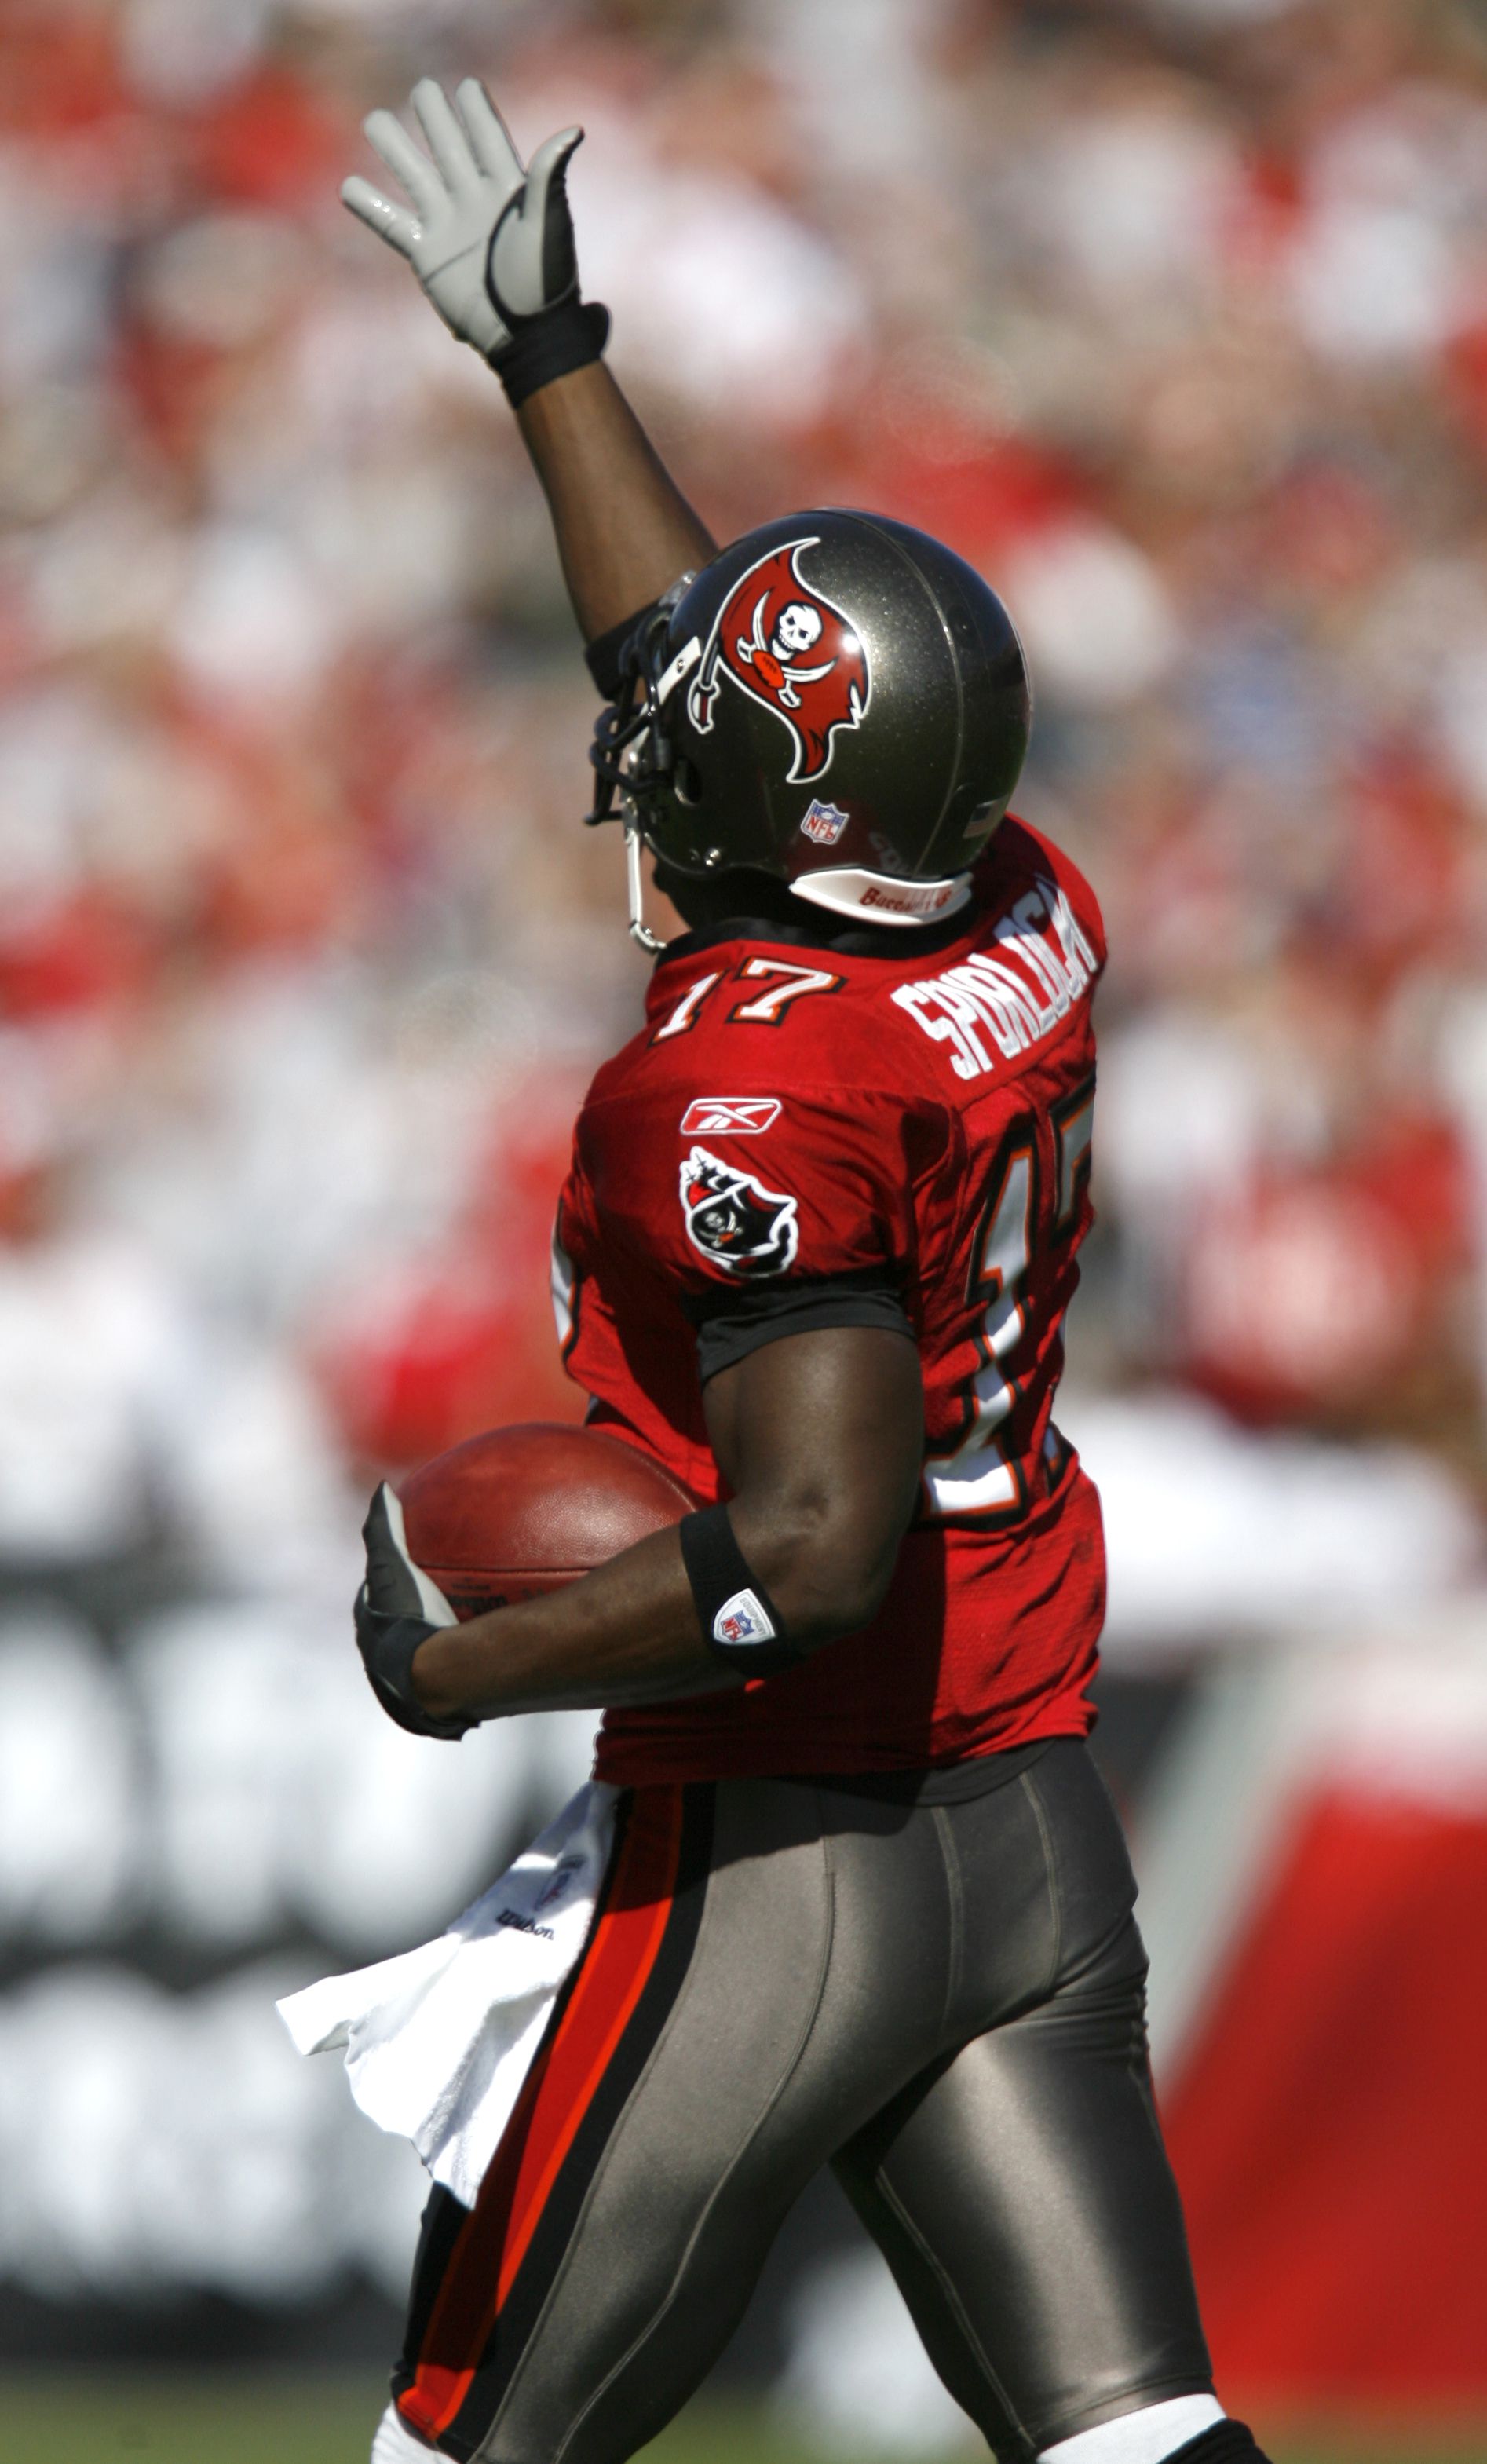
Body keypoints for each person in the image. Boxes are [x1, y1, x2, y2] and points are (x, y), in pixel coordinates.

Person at [342, 79, 1269, 2464]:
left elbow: (818, 1548)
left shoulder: (743, 1092)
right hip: (1032, 1805)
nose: (654, 756)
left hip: (796, 1840)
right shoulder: (1019, 891)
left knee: (464, 2450)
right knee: (1137, 2437)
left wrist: (478, 1665)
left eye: (708, 753)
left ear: (781, 815)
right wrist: (554, 360)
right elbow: (716, 675)